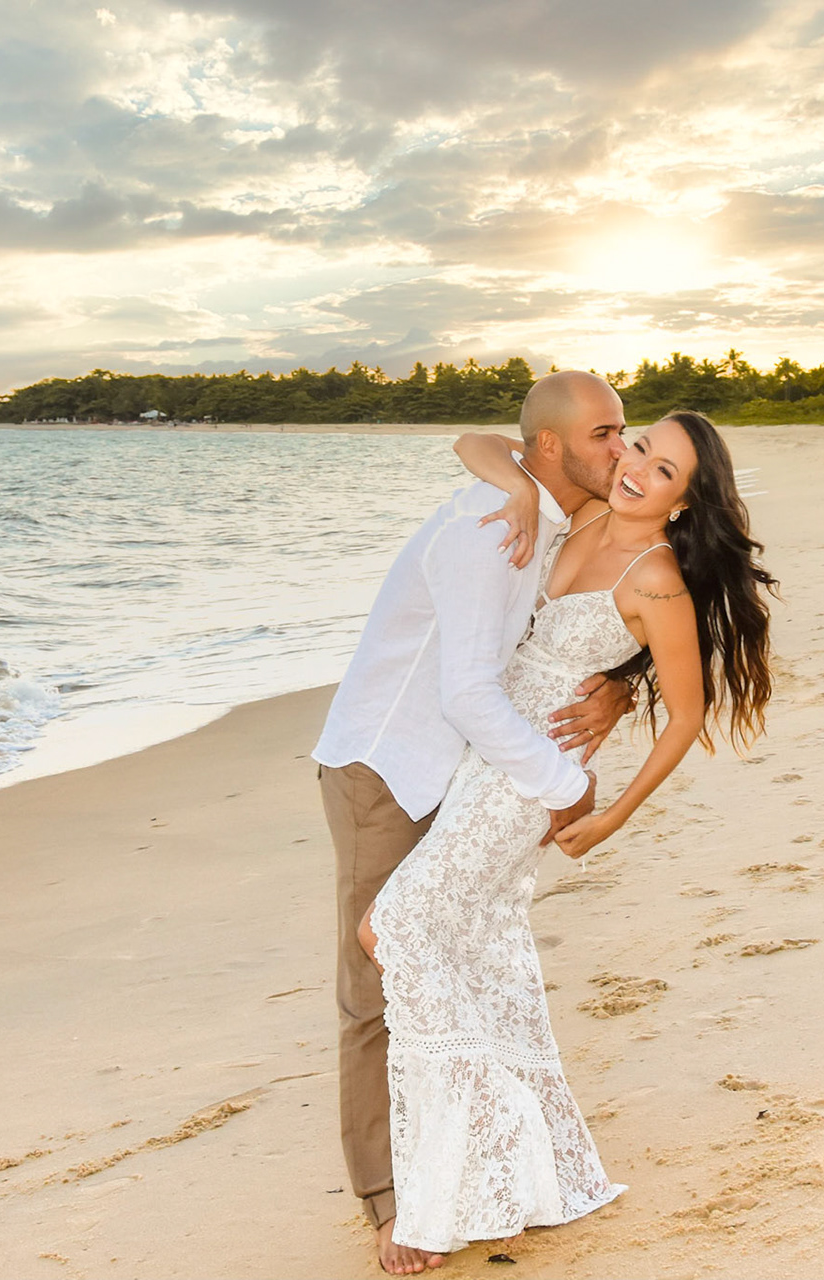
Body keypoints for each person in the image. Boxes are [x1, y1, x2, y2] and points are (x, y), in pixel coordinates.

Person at [358, 406, 777, 1261]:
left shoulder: (658, 579)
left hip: (530, 777)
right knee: (477, 949)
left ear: (685, 502)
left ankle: (475, 1157)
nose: (638, 468)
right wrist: (517, 486)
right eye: (640, 446)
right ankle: (525, 1166)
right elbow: (477, 443)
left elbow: (688, 713)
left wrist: (611, 815)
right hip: (483, 754)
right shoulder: (585, 514)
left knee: (390, 927)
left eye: (665, 471)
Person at [314, 371, 638, 1275]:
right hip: (388, 768)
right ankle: (391, 1201)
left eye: (624, 430)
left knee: (462, 961)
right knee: (380, 977)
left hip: (464, 773)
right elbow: (466, 693)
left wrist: (622, 684)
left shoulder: (559, 513)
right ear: (551, 448)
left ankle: (479, 1169)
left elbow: (602, 612)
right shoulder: (492, 528)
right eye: (605, 433)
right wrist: (562, 783)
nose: (622, 447)